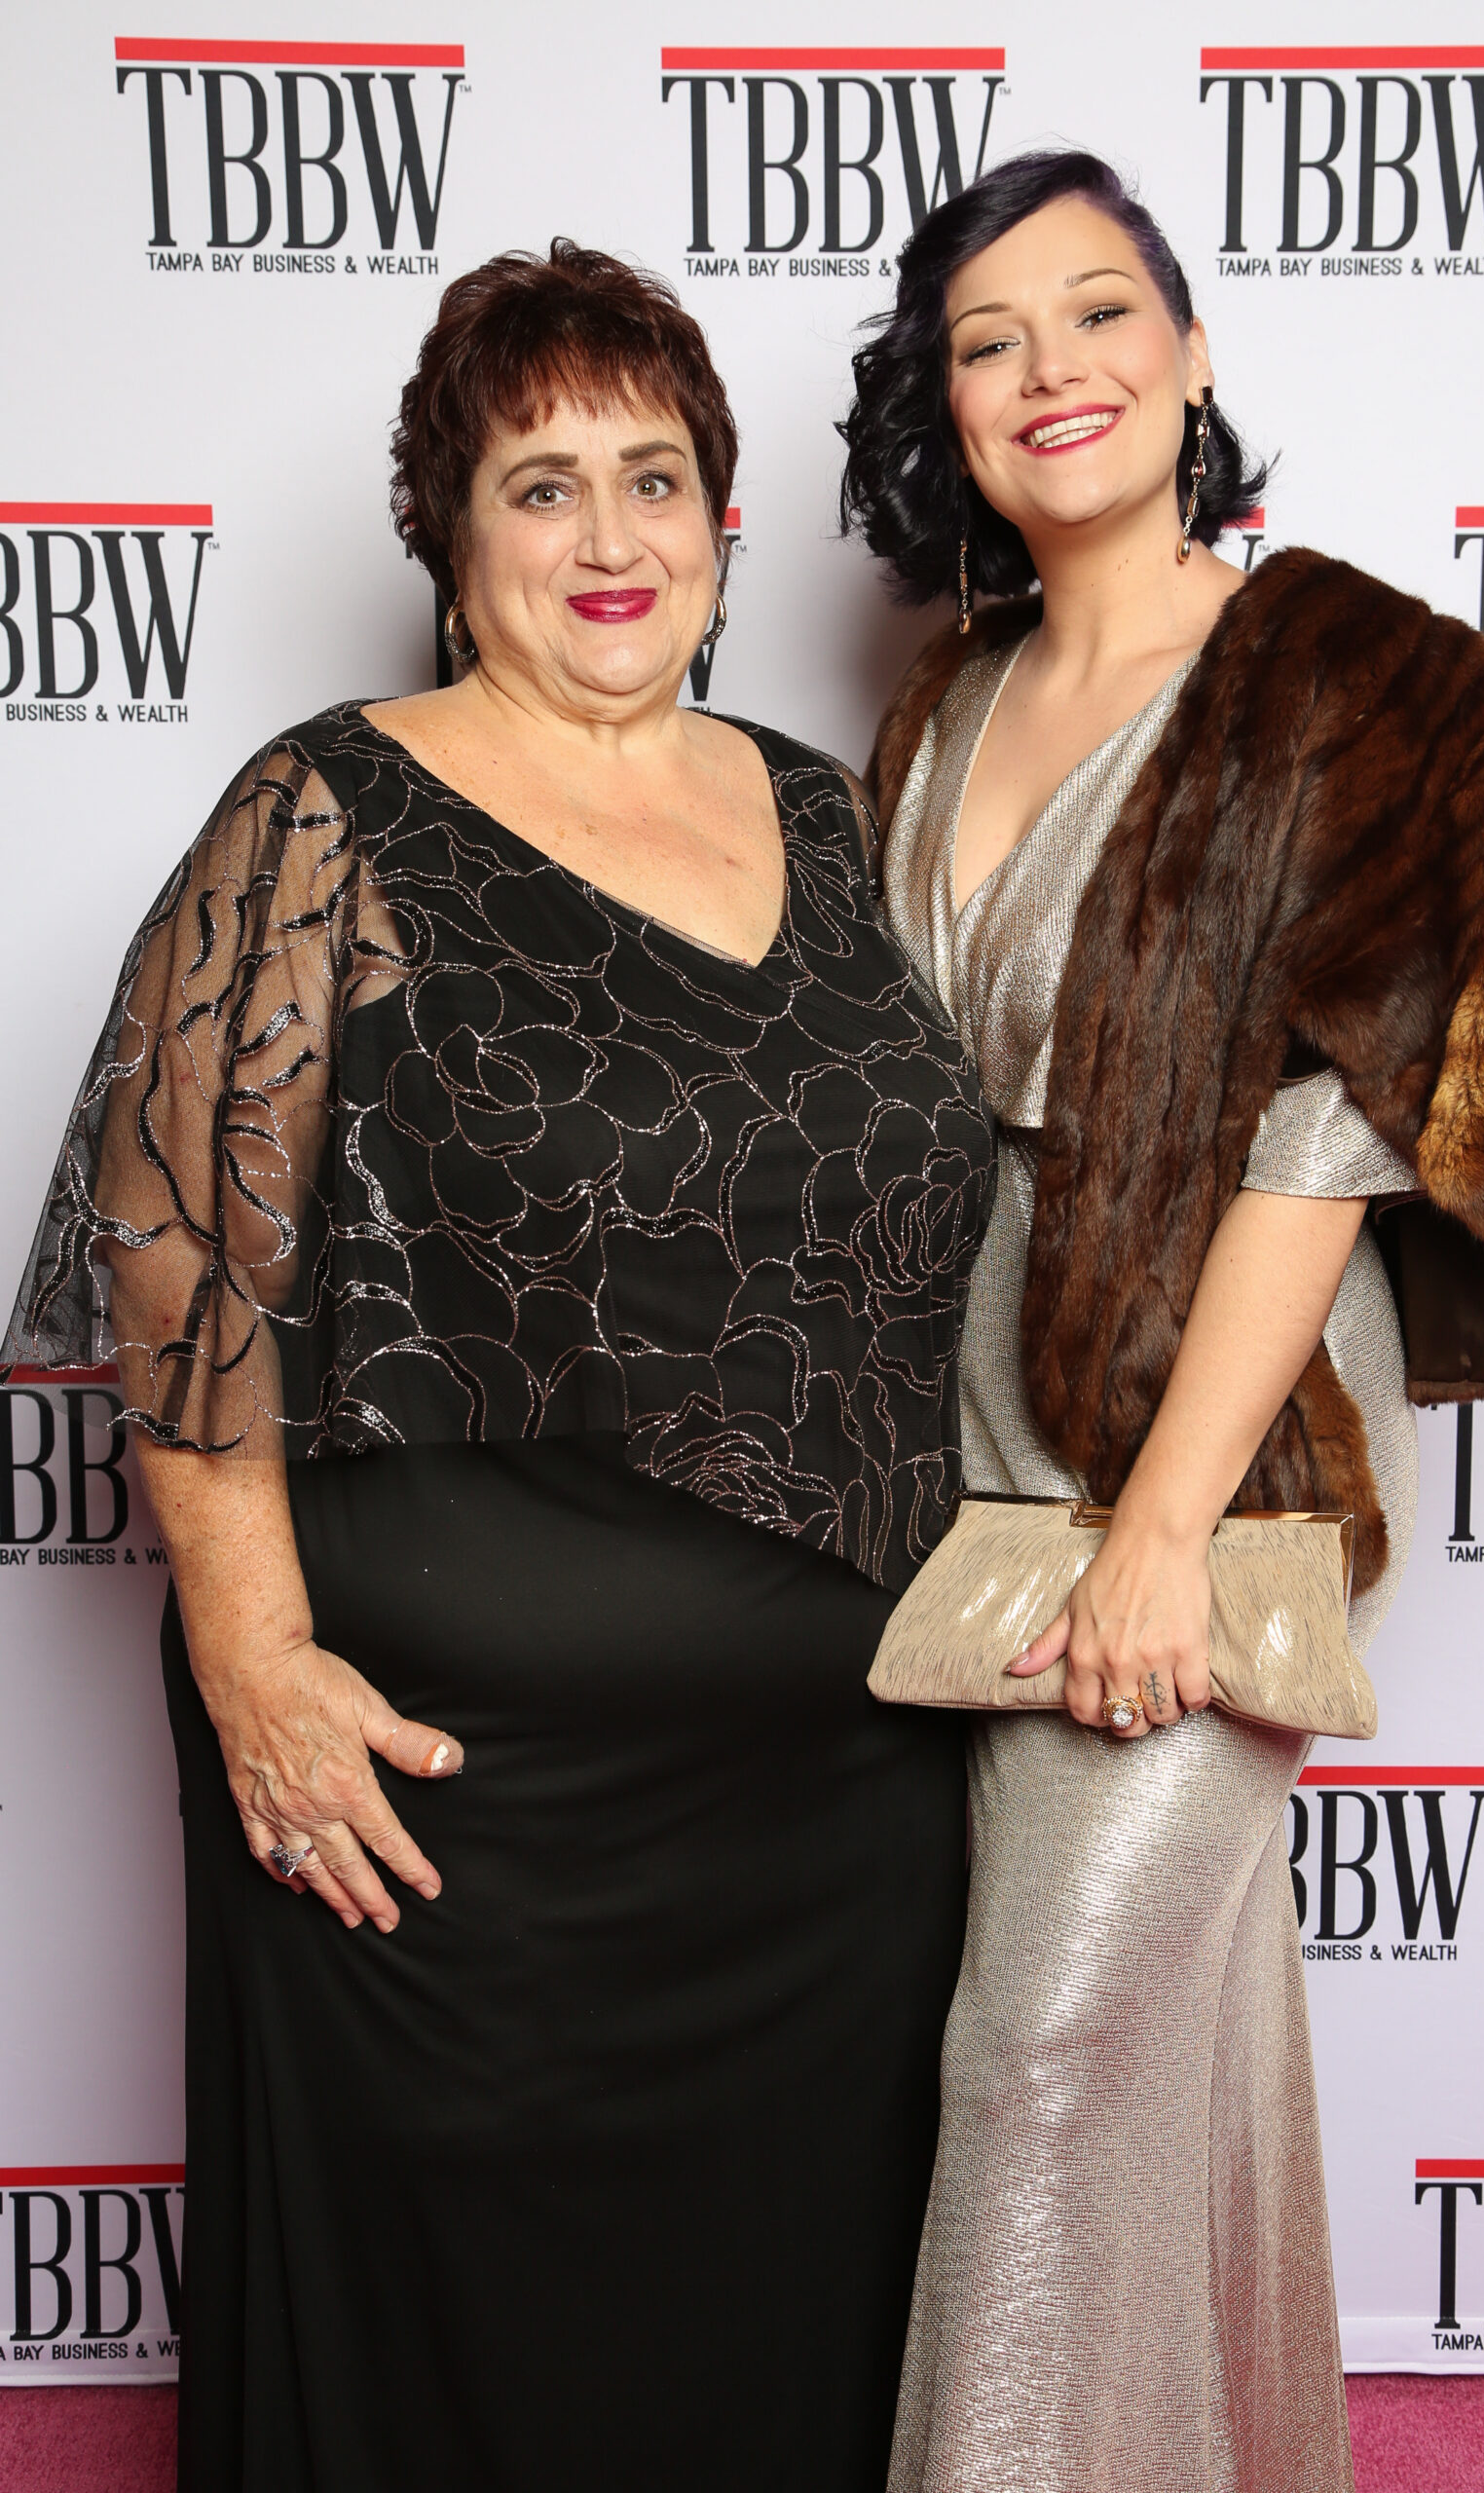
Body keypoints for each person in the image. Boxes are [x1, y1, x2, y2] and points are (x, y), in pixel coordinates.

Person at [6, 242, 997, 2493]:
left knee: (795, 2344)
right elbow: (174, 1255)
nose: (608, 536)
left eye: (654, 478)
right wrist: (255, 1669)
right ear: (451, 541)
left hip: (840, 1811)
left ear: (723, 525)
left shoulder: (835, 815)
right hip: (458, 1817)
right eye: (540, 485)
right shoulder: (326, 811)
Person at [838, 151, 1484, 2493]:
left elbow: (1327, 1131)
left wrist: (1165, 1528)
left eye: (1100, 312)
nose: (1049, 370)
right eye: (988, 341)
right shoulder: (947, 691)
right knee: (1164, 2035)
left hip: (1223, 1427)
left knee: (1043, 2052)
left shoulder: (1355, 676)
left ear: (1192, 353)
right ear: (947, 411)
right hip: (957, 1417)